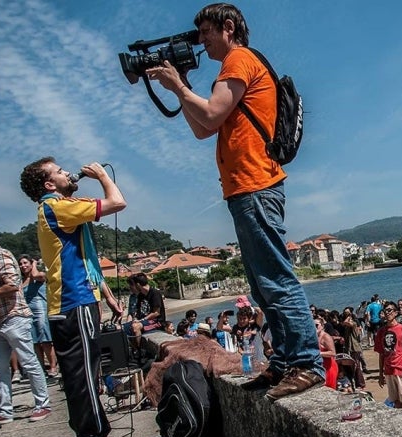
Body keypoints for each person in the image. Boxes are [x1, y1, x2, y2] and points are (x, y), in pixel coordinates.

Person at [146, 2, 324, 400]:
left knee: (277, 280)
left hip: (255, 184)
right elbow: (202, 129)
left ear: (228, 27)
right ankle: (283, 363)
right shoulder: (233, 66)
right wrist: (184, 86)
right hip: (247, 187)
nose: (202, 41)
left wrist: (178, 86)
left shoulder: (239, 59)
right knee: (263, 287)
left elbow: (210, 115)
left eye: (206, 32)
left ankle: (307, 363)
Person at [19, 159, 137, 437]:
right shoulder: (56, 208)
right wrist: (100, 175)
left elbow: (83, 256)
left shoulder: (58, 208)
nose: (66, 172)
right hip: (75, 302)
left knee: (79, 375)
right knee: (85, 377)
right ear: (48, 184)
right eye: (58, 171)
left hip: (66, 304)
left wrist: (108, 296)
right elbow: (117, 201)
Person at [0, 223, 51, 426]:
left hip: (14, 316)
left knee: (28, 361)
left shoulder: (0, 255)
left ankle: (43, 404)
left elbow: (12, 285)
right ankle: (4, 410)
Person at [17, 254, 58, 377]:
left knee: (45, 340)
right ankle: (41, 368)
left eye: (25, 263)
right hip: (28, 312)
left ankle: (53, 366)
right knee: (34, 342)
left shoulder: (39, 276)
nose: (23, 266)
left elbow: (35, 275)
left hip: (40, 309)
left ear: (31, 263)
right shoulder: (21, 281)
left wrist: (34, 264)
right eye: (21, 264)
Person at [374, 301, 402, 412]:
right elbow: (381, 354)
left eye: (390, 310)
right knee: (395, 401)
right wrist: (380, 374)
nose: (387, 313)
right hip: (389, 370)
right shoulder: (381, 332)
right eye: (385, 311)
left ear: (396, 312)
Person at [122, 272, 165, 358]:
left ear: (138, 285)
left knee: (136, 327)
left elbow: (156, 312)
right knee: (122, 328)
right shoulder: (141, 296)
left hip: (156, 322)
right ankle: (132, 349)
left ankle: (139, 352)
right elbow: (138, 312)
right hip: (143, 321)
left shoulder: (155, 293)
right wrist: (135, 319)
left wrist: (142, 320)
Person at [314, 315, 337, 389]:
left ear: (322, 326)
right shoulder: (315, 337)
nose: (314, 327)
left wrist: (318, 354)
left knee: (330, 388)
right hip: (321, 367)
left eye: (316, 325)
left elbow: (333, 353)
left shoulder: (326, 337)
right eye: (312, 325)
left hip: (329, 367)